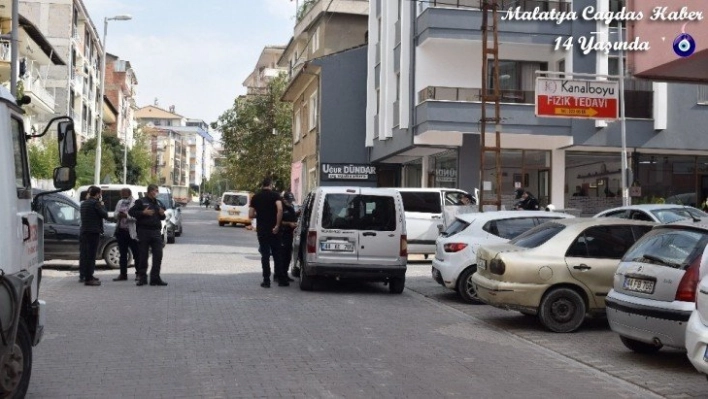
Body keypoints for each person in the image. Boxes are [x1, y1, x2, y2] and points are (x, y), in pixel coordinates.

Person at [129, 184, 167, 287]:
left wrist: (162, 214)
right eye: (155, 190)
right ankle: (142, 278)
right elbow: (131, 212)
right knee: (143, 256)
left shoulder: (158, 203)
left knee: (158, 255)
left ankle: (155, 278)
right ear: (150, 191)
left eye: (157, 191)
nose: (156, 192)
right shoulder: (141, 201)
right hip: (144, 231)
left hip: (156, 232)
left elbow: (162, 217)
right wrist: (143, 212)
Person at [249, 178, 284, 288]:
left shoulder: (256, 197)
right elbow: (280, 209)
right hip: (274, 230)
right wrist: (277, 225)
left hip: (262, 230)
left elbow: (251, 214)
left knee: (265, 256)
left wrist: (260, 214)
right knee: (277, 254)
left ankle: (266, 280)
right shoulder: (276, 196)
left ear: (262, 185)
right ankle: (281, 279)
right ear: (271, 185)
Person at [79, 185, 109, 286]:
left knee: (85, 255)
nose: (101, 195)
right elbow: (104, 214)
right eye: (100, 193)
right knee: (91, 256)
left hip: (84, 232)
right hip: (93, 232)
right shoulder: (96, 204)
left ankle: (87, 275)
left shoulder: (84, 203)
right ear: (97, 194)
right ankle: (89, 279)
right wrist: (102, 204)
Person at [113, 188, 140, 282]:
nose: (122, 195)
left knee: (136, 254)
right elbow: (115, 214)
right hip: (121, 231)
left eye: (124, 193)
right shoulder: (120, 202)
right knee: (123, 254)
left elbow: (138, 217)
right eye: (121, 194)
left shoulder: (135, 202)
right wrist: (118, 215)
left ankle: (139, 274)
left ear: (129, 194)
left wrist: (126, 216)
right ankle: (123, 274)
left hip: (131, 232)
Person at [279, 191, 298, 283]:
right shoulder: (280, 208)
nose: (290, 202)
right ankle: (280, 277)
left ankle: (285, 274)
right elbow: (279, 221)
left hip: (289, 234)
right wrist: (289, 223)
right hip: (282, 234)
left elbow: (293, 217)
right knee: (283, 256)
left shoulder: (291, 207)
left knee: (288, 256)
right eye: (289, 201)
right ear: (284, 199)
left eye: (291, 201)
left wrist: (298, 213)